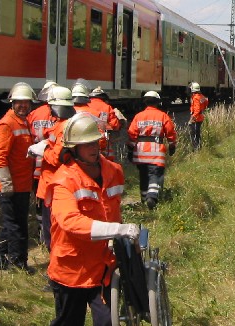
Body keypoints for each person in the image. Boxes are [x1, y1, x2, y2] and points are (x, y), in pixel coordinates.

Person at [45, 113, 140, 325]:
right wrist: (118, 230)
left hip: (101, 267)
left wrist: (122, 239)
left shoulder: (113, 171)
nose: (93, 148)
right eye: (86, 144)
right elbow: (70, 221)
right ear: (73, 149)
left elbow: (113, 209)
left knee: (107, 321)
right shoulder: (64, 181)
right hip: (71, 271)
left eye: (95, 142)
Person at [0, 82, 37, 274]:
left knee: (12, 223)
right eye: (19, 102)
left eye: (26, 103)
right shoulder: (7, 124)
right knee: (16, 225)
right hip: (12, 186)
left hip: (22, 183)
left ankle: (0, 259)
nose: (23, 106)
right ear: (12, 103)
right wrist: (6, 184)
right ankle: (19, 264)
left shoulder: (23, 122)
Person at [27, 86, 76, 251]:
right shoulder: (64, 125)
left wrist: (43, 150)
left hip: (53, 184)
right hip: (52, 183)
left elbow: (57, 157)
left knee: (53, 229)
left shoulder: (64, 127)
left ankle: (55, 260)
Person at [127, 91, 177, 210]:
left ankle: (144, 200)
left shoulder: (138, 116)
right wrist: (172, 145)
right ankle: (152, 197)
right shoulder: (163, 116)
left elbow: (132, 134)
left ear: (145, 102)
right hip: (156, 153)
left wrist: (130, 150)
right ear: (158, 102)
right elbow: (170, 133)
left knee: (144, 176)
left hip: (140, 153)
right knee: (155, 175)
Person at [27, 81, 58, 243]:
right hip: (52, 166)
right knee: (52, 200)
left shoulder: (33, 114)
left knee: (39, 200)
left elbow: (29, 139)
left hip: (35, 166)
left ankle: (41, 232)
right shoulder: (58, 115)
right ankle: (52, 231)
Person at [88, 86, 123, 161]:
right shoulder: (107, 107)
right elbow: (115, 125)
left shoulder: (86, 105)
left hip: (86, 139)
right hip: (102, 142)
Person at [188, 82, 208, 151]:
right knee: (197, 134)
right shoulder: (202, 96)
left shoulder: (195, 97)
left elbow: (197, 110)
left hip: (196, 118)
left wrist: (192, 118)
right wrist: (203, 108)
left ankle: (196, 149)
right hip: (200, 117)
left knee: (194, 135)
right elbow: (206, 102)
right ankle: (199, 148)